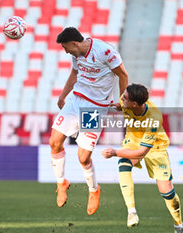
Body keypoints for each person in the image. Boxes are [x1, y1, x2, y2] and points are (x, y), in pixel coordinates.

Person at [49, 27, 129, 215]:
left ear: (74, 43)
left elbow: (123, 75)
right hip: (76, 100)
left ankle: (94, 190)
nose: (66, 51)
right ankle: (61, 182)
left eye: (66, 47)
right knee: (54, 142)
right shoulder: (76, 54)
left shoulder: (105, 52)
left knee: (83, 157)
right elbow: (75, 74)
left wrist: (123, 100)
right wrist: (62, 96)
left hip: (94, 109)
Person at [101, 84, 183, 233]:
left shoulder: (154, 117)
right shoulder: (127, 103)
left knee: (167, 192)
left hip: (155, 146)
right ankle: (131, 212)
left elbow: (141, 152)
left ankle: (178, 225)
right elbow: (121, 104)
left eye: (124, 98)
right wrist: (118, 106)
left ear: (134, 104)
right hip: (133, 139)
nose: (122, 99)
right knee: (124, 164)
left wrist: (115, 152)